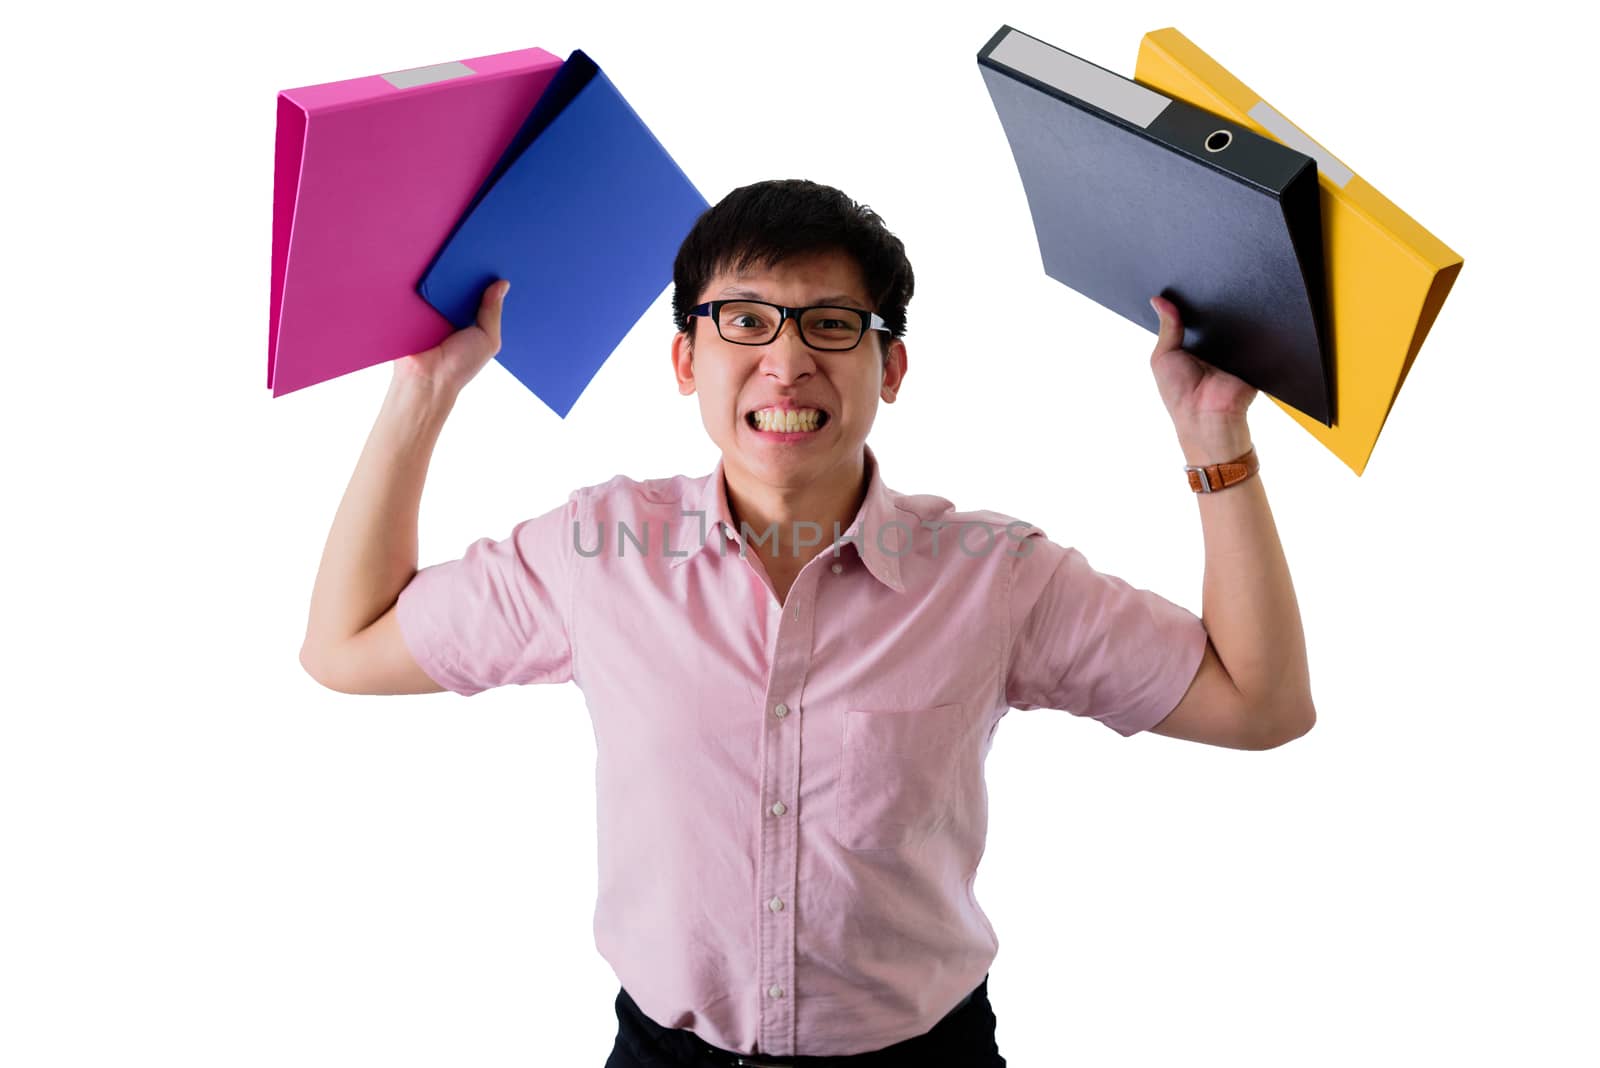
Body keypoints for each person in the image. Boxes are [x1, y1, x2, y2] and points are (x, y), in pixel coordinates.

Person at [298, 179, 1316, 1067]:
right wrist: (422, 392)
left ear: (893, 369)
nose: (785, 364)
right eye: (743, 321)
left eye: (831, 325)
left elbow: (1258, 704)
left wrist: (1211, 435)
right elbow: (345, 648)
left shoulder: (993, 576)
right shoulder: (596, 552)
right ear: (684, 359)